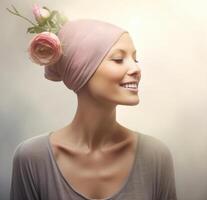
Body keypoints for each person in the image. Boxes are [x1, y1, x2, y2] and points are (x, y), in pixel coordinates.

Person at [10, 18, 177, 200]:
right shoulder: (32, 158)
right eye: (119, 59)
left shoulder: (155, 156)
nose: (136, 68)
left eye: (135, 59)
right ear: (80, 69)